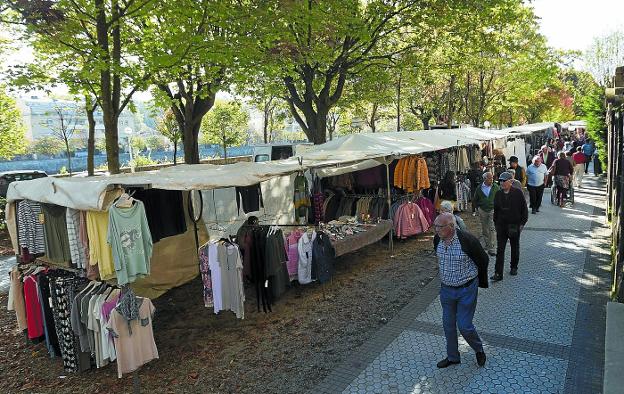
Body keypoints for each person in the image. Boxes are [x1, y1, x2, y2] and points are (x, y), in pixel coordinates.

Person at [433, 212, 488, 369]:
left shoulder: (467, 240)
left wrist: (477, 281)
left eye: (440, 227)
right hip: (446, 291)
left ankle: (478, 349)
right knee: (448, 324)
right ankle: (453, 357)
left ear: (451, 227)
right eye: (435, 226)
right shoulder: (437, 239)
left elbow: (483, 260)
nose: (436, 230)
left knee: (464, 325)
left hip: (466, 290)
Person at [491, 172, 528, 281]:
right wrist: (496, 224)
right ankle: (498, 273)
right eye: (500, 181)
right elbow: (496, 211)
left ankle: (513, 267)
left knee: (514, 247)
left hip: (514, 225)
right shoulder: (498, 194)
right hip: (501, 226)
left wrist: (521, 224)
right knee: (500, 250)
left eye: (504, 180)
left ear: (510, 181)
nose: (501, 183)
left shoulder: (518, 193)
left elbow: (524, 210)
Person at [472, 171, 500, 256]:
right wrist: (476, 209)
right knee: (485, 228)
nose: (492, 180)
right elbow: (475, 199)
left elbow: (500, 197)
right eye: (490, 178)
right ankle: (487, 244)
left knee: (492, 228)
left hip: (493, 209)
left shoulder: (496, 187)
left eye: (492, 178)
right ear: (484, 179)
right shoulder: (479, 188)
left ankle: (492, 248)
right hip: (482, 210)